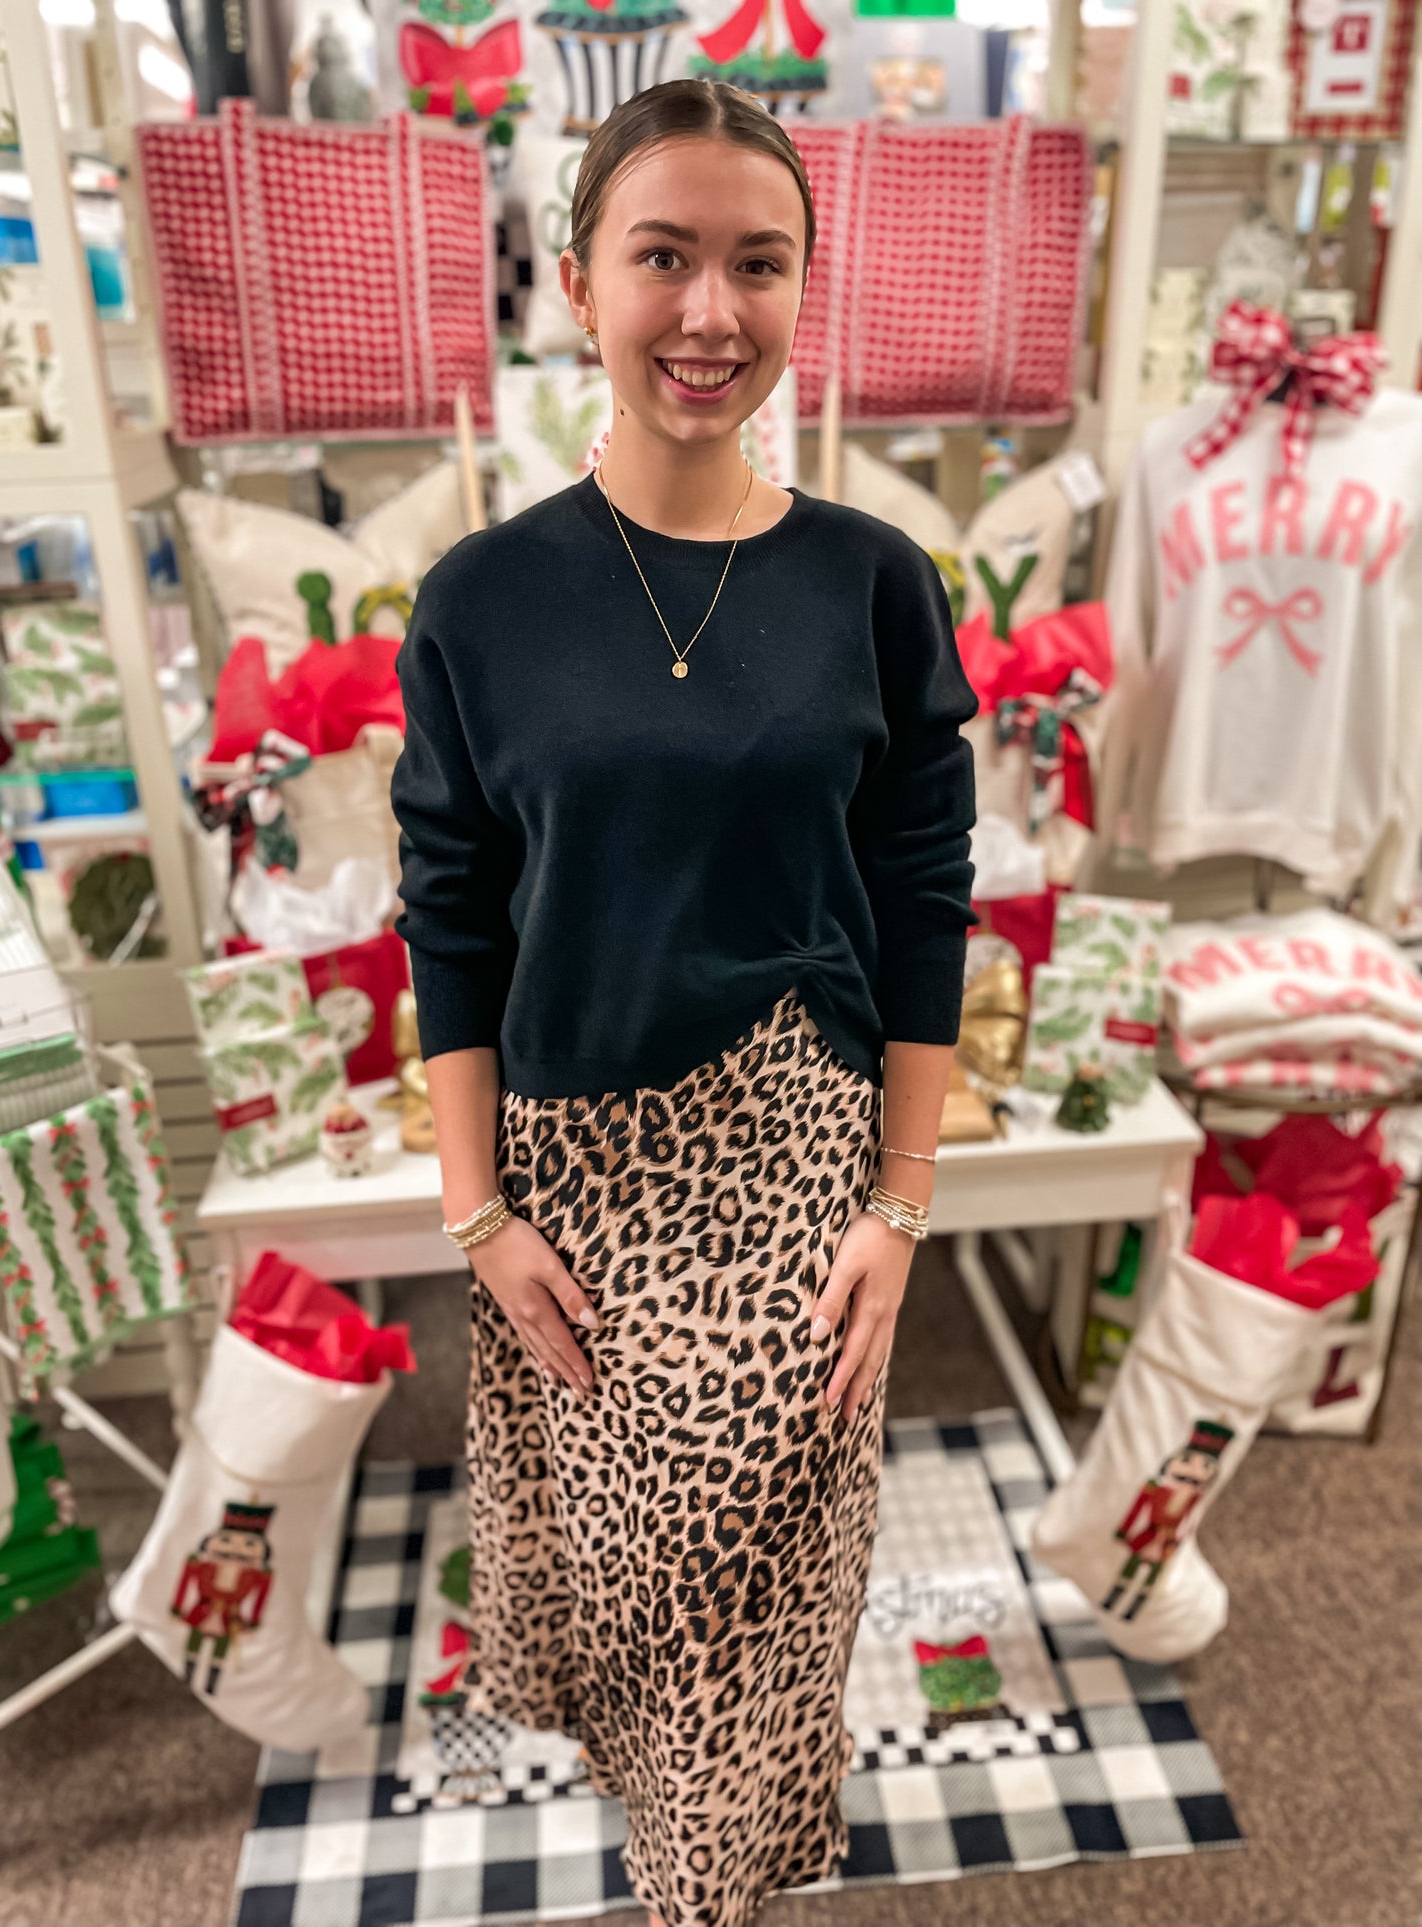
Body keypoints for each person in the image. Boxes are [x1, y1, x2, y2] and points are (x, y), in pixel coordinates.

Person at [390, 77, 978, 1927]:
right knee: (622, 1601)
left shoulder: (872, 583)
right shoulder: (479, 600)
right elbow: (452, 916)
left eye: (758, 262)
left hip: (790, 1164)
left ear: (807, 288)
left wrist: (902, 1200)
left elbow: (919, 902)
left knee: (754, 1625)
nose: (709, 312)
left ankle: (710, 1890)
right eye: (664, 257)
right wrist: (472, 1211)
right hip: (570, 1175)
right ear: (577, 282)